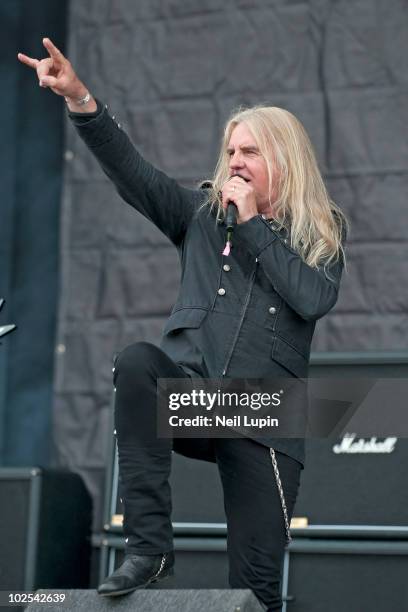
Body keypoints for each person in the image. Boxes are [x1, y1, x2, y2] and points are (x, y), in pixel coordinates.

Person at [18, 38, 348, 612]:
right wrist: (80, 100)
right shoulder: (199, 217)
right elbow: (133, 172)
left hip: (265, 415)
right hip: (197, 397)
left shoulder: (319, 234)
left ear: (284, 162)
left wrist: (253, 227)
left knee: (255, 590)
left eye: (250, 152)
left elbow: (312, 299)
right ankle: (149, 549)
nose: (235, 162)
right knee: (137, 361)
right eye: (231, 151)